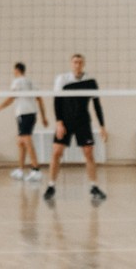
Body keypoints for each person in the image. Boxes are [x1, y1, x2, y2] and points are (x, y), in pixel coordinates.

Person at [43, 53, 107, 202]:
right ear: (71, 64)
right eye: (75, 62)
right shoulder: (62, 79)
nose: (77, 65)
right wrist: (59, 122)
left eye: (80, 62)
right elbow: (57, 102)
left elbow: (97, 105)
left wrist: (102, 126)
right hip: (65, 121)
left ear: (83, 64)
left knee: (89, 153)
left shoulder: (90, 82)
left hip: (83, 121)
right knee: (56, 152)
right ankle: (51, 186)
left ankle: (94, 186)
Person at [0, 62, 48, 181]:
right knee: (21, 142)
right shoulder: (31, 82)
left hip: (24, 114)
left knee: (26, 140)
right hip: (31, 114)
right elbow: (40, 99)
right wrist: (43, 117)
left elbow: (11, 97)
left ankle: (36, 169)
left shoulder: (17, 81)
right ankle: (21, 170)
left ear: (16, 70)